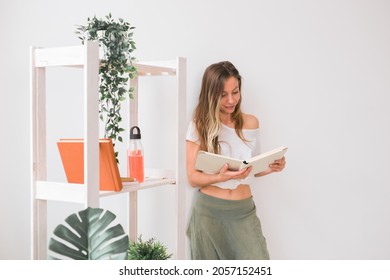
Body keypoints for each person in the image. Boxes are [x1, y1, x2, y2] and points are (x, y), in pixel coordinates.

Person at [186, 61, 286, 260]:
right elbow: (192, 178)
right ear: (211, 94)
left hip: (243, 212)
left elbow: (253, 169)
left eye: (235, 92)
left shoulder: (251, 122)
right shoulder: (199, 125)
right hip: (208, 213)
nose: (231, 100)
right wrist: (220, 178)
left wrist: (272, 167)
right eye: (223, 95)